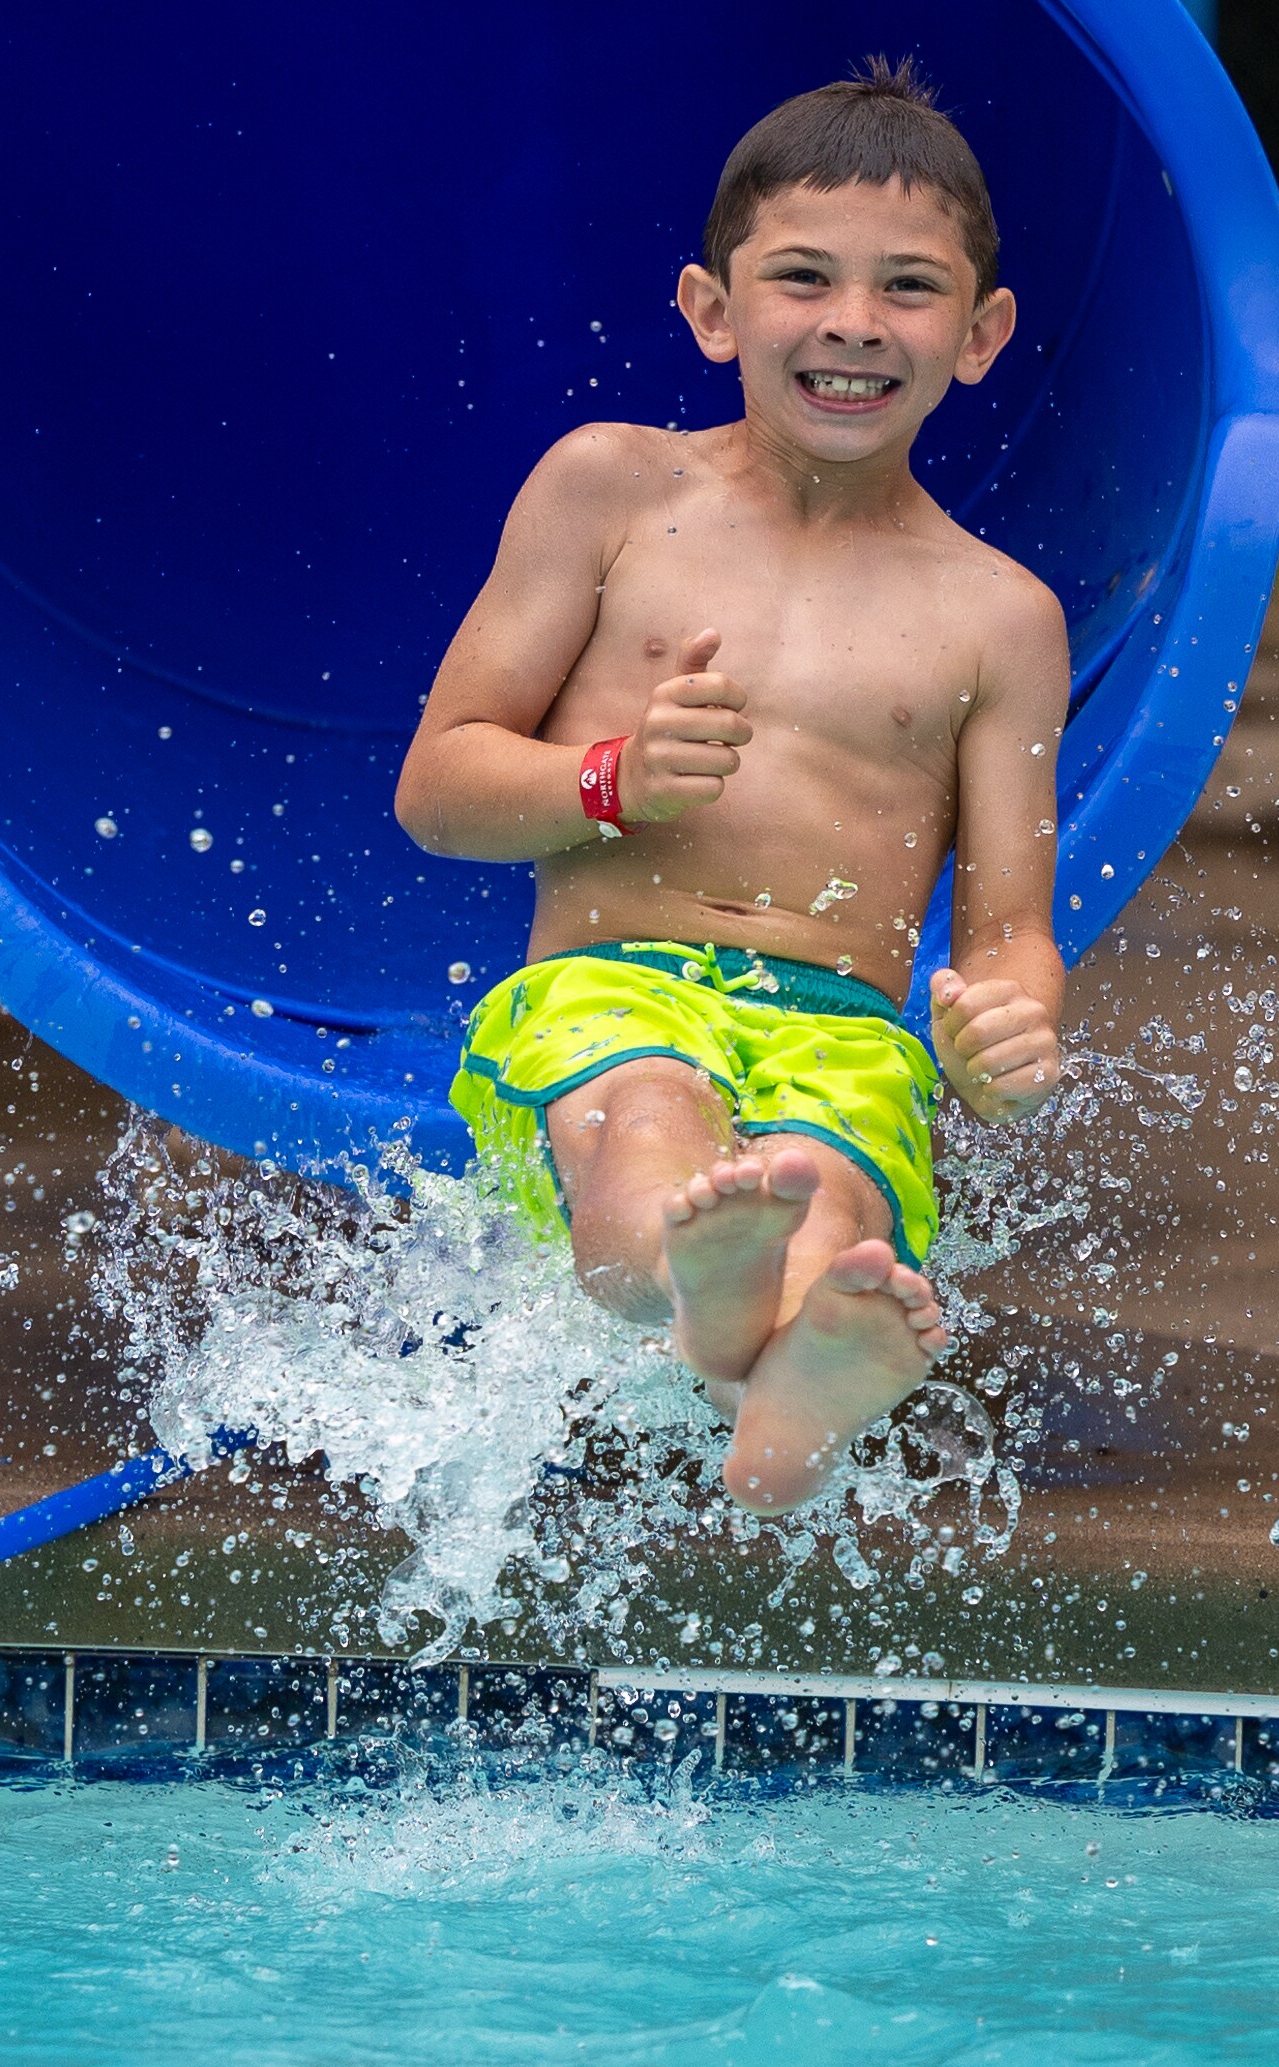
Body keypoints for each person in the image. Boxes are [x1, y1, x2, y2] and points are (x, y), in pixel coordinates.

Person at [396, 59, 1068, 1513]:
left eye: (909, 289)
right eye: (805, 278)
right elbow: (438, 788)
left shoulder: (1000, 615)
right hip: (609, 987)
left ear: (981, 334)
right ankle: (726, 1331)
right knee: (656, 1126)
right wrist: (610, 780)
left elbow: (1011, 923)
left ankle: (769, 1390)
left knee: (832, 1210)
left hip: (844, 1022)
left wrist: (1010, 1035)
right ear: (714, 309)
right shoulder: (613, 492)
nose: (852, 324)